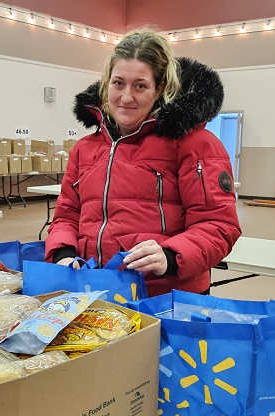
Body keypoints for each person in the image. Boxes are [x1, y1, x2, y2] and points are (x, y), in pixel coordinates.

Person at [44, 29, 241, 297]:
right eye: (118, 83)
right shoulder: (85, 149)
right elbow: (66, 216)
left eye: (140, 85)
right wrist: (63, 254)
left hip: (166, 297)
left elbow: (219, 225)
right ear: (106, 84)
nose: (126, 97)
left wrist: (170, 256)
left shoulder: (195, 144)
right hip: (98, 291)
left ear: (160, 88)